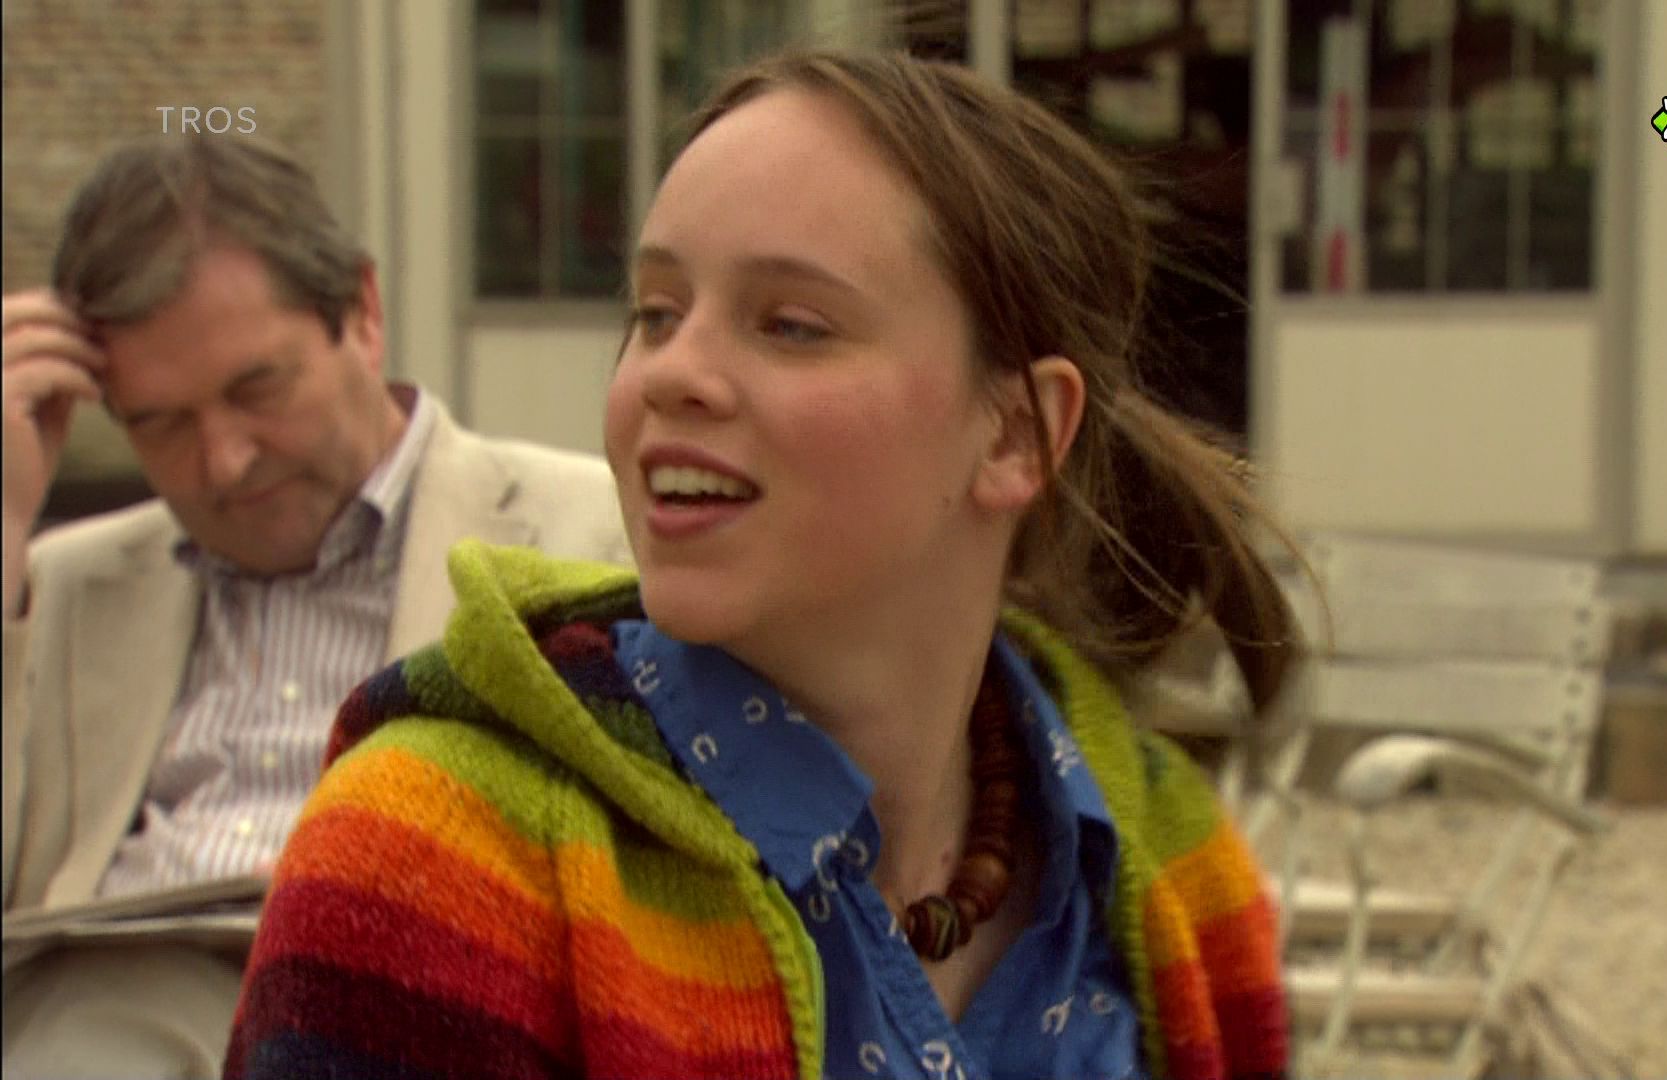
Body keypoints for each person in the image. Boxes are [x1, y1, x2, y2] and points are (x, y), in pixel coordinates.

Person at [224, 49, 1298, 1080]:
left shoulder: (1173, 860)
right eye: (656, 313)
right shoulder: (430, 865)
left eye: (791, 325)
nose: (671, 373)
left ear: (1017, 433)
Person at [1, 135, 632, 1078]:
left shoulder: (594, 538)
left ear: (362, 313)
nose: (225, 462)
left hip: (414, 1010)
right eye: (161, 425)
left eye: (257, 389)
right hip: (99, 1020)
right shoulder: (53, 586)